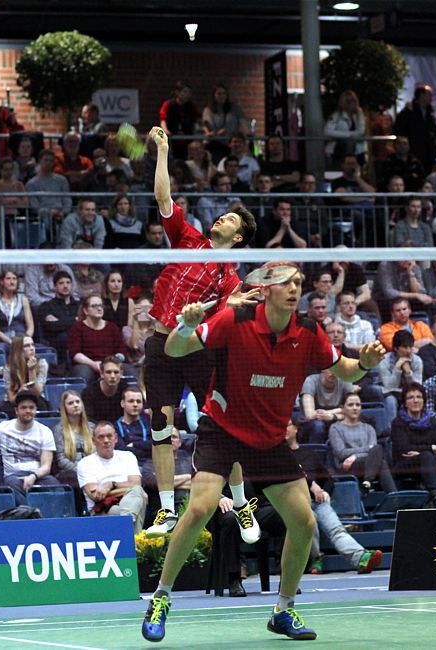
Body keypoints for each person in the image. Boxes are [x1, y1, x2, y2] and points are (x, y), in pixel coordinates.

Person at [141, 261, 386, 643]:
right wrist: (186, 324)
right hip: (222, 430)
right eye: (287, 283)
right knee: (202, 507)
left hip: (270, 440)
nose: (295, 289)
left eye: (299, 283)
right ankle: (161, 599)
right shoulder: (234, 320)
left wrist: (366, 364)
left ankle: (283, 610)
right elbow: (174, 349)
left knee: (304, 522)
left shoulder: (307, 331)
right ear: (267, 288)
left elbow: (347, 371)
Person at [142, 126, 258, 542]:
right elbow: (163, 198)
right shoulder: (187, 238)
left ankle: (243, 504)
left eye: (229, 218)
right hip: (160, 342)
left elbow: (229, 310)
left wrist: (241, 302)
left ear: (238, 236)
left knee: (222, 426)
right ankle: (168, 510)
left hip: (196, 348)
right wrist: (163, 152)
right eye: (222, 213)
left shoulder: (230, 276)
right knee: (160, 423)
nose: (220, 217)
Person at [285, 419, 383, 575]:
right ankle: (315, 558)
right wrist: (311, 486)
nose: (284, 429)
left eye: (288, 425)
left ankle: (361, 558)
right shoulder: (280, 456)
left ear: (296, 429)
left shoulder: (309, 454)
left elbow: (328, 479)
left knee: (336, 529)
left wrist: (325, 492)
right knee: (310, 526)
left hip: (317, 501)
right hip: (294, 504)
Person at [391, 383, 436, 506]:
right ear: (405, 403)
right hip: (404, 464)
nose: (415, 401)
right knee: (426, 455)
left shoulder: (432, 421)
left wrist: (421, 451)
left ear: (424, 401)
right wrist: (430, 448)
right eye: (411, 397)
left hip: (429, 462)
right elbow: (404, 449)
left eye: (419, 397)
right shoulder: (398, 422)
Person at [0, 391, 59, 505]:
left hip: (38, 475)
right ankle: (31, 517)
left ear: (35, 410)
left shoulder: (45, 431)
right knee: (11, 486)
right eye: (24, 408)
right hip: (13, 476)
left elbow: (46, 467)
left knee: (57, 487)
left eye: (31, 408)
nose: (28, 411)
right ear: (16, 410)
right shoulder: (2, 429)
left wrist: (33, 476)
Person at [76, 420, 148, 531]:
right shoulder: (85, 463)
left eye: (109, 436)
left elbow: (136, 485)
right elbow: (96, 496)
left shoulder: (128, 456)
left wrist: (110, 485)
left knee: (137, 494)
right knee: (137, 502)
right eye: (101, 437)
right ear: (93, 440)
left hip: (130, 502)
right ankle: (129, 526)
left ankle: (127, 522)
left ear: (116, 438)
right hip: (102, 509)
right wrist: (128, 490)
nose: (106, 440)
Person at [329, 393, 397, 494]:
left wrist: (355, 456)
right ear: (342, 408)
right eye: (351, 405)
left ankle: (366, 483)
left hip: (368, 464)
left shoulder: (369, 428)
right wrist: (367, 449)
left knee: (378, 451)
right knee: (380, 459)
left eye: (358, 405)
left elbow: (374, 451)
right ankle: (393, 496)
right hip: (346, 467)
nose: (355, 408)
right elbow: (341, 453)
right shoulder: (335, 428)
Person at [67, 294, 126, 381]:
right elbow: (75, 354)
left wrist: (114, 362)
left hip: (111, 363)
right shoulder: (77, 328)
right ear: (85, 311)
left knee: (130, 370)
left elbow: (121, 350)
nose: (99, 308)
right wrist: (93, 364)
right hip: (87, 364)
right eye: (94, 306)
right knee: (83, 372)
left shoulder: (112, 327)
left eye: (101, 305)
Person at [142, 427, 192, 524]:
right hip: (161, 513)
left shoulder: (189, 461)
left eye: (174, 437)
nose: (171, 440)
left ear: (180, 442)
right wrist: (188, 477)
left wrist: (166, 483)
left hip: (190, 507)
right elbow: (154, 483)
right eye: (167, 437)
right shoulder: (151, 464)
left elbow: (198, 483)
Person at [25, 149, 71, 241]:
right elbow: (34, 206)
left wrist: (63, 212)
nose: (48, 163)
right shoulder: (31, 183)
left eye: (51, 160)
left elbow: (67, 200)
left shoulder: (62, 180)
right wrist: (49, 212)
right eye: (46, 160)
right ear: (40, 161)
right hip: (43, 218)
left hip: (62, 215)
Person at [379, 330, 423, 425]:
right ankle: (392, 430)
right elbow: (389, 386)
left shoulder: (417, 361)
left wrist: (408, 373)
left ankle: (417, 426)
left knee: (416, 398)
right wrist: (397, 369)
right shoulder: (384, 361)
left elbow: (417, 388)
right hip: (388, 393)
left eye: (410, 347)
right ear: (395, 348)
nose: (408, 351)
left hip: (408, 392)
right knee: (390, 400)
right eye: (404, 347)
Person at [300, 369, 356, 443]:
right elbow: (309, 415)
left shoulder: (345, 380)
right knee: (318, 426)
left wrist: (332, 416)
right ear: (322, 369)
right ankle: (316, 453)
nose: (333, 372)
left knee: (352, 421)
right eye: (330, 368)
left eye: (336, 368)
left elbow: (353, 411)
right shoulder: (310, 381)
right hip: (311, 422)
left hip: (335, 419)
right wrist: (339, 410)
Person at [0, 335, 49, 416]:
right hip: (15, 402)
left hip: (36, 400)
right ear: (18, 349)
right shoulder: (9, 368)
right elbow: (11, 399)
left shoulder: (42, 363)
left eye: (32, 345)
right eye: (27, 346)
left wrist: (31, 370)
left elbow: (37, 392)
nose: (32, 348)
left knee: (42, 406)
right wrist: (20, 392)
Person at [52, 390, 94, 486]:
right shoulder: (59, 430)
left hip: (91, 470)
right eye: (71, 403)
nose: (75, 405)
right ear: (64, 408)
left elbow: (96, 453)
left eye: (78, 402)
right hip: (69, 473)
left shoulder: (92, 427)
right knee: (73, 478)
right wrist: (80, 470)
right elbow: (61, 459)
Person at [37, 270, 80, 362]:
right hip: (58, 345)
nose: (65, 286)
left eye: (68, 283)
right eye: (61, 283)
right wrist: (75, 320)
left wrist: (60, 322)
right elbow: (51, 327)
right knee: (63, 337)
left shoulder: (79, 305)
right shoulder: (46, 306)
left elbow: (84, 324)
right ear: (54, 287)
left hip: (80, 343)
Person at [395, 84, 436, 172]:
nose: (431, 97)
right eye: (429, 94)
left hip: (428, 152)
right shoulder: (408, 111)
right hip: (414, 150)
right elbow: (400, 129)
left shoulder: (430, 112)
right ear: (421, 95)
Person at [0, 268, 34, 349]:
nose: (12, 282)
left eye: (14, 279)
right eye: (8, 279)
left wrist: (25, 340)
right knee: (1, 347)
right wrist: (10, 341)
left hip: (22, 338)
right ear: (1, 282)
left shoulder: (23, 300)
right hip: (4, 339)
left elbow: (31, 327)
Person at [324, 90, 367, 167]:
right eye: (348, 101)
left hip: (357, 150)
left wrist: (359, 113)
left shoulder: (358, 114)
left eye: (353, 100)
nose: (351, 103)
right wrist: (348, 135)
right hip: (338, 150)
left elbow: (361, 131)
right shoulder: (337, 115)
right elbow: (327, 131)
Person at [81, 355, 127, 424]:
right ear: (102, 374)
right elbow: (89, 420)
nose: (112, 376)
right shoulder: (89, 392)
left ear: (121, 374)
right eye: (108, 372)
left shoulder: (126, 391)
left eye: (116, 372)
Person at [115, 386, 152, 467]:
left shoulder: (149, 424)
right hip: (125, 467)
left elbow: (154, 446)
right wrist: (145, 448)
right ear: (122, 403)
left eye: (138, 401)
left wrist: (134, 444)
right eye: (131, 401)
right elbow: (121, 451)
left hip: (149, 466)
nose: (135, 404)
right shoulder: (115, 428)